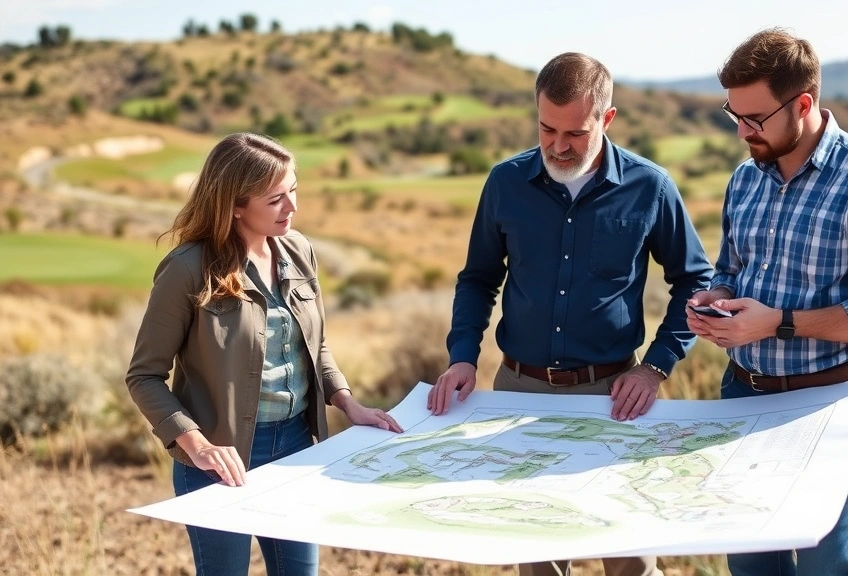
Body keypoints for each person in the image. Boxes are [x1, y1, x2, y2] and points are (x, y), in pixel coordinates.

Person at [427, 52, 713, 576]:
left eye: (575, 133)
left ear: (606, 119)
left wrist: (656, 367)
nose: (558, 146)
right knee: (536, 554)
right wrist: (463, 356)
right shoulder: (504, 183)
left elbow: (695, 280)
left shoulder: (651, 187)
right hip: (517, 390)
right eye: (546, 128)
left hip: (614, 396)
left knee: (629, 555)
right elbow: (478, 279)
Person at [685, 28, 848, 576]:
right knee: (752, 568)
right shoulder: (744, 179)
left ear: (804, 104)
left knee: (823, 570)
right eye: (733, 115)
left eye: (755, 119)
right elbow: (732, 269)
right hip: (741, 395)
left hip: (827, 403)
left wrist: (778, 324)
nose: (742, 131)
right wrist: (717, 298)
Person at [125, 132, 403, 576]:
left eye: (293, 191)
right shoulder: (186, 270)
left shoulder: (300, 250)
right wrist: (197, 446)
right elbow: (144, 376)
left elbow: (316, 346)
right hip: (218, 461)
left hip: (298, 448)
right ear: (235, 204)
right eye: (276, 199)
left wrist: (348, 402)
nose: (292, 208)